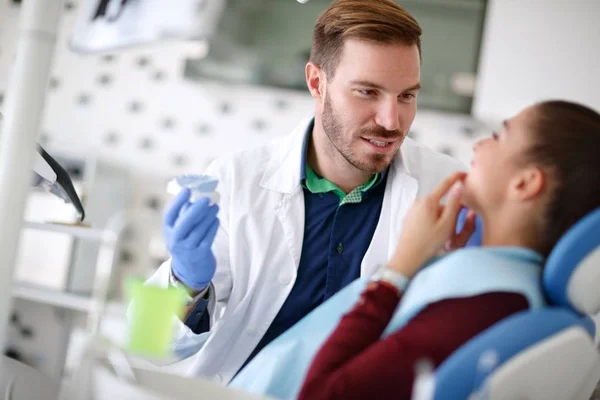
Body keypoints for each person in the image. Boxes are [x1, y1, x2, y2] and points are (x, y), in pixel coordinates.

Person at [144, 0, 475, 382]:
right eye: (367, 92)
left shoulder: (447, 189)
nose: (392, 121)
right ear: (317, 83)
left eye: (406, 96)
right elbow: (148, 343)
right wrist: (184, 282)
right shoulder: (237, 178)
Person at [285, 100, 600, 400]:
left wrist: (399, 268)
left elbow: (321, 395)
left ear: (525, 183)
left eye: (497, 136)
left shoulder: (484, 306)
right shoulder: (499, 284)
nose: (479, 144)